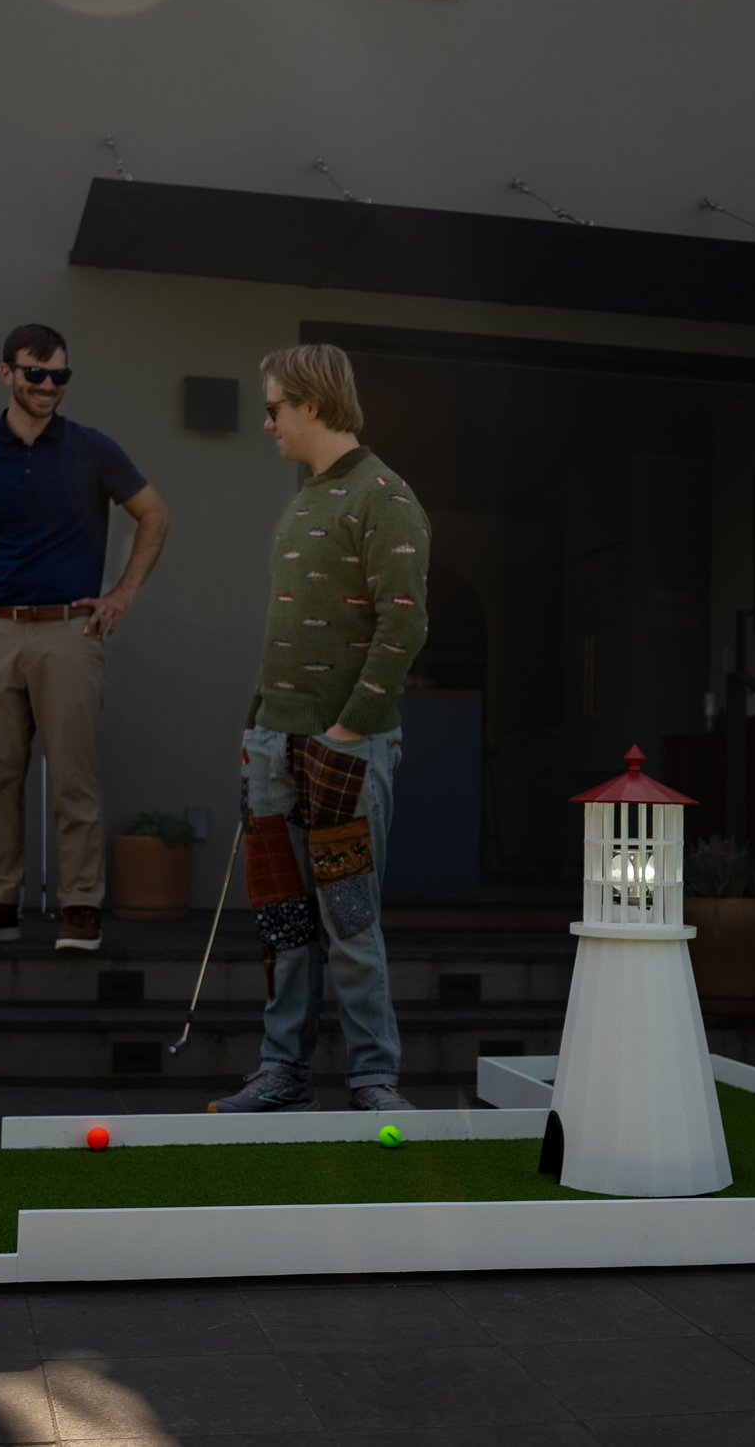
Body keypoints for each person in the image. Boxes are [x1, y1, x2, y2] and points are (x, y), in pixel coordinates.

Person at [215, 344, 429, 1115]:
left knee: (349, 923)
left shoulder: (384, 497)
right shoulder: (304, 499)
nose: (267, 420)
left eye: (274, 406)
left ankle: (374, 1079)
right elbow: (285, 635)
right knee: (282, 923)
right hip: (274, 745)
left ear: (311, 403)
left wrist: (348, 731)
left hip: (343, 749)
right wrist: (256, 731)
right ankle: (283, 1072)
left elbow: (404, 628)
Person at [0, 323, 169, 950]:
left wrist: (122, 593)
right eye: (35, 374)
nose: (47, 386)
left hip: (70, 631)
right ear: (6, 373)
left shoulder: (93, 450)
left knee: (73, 776)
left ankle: (80, 907)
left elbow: (155, 515)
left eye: (59, 376)